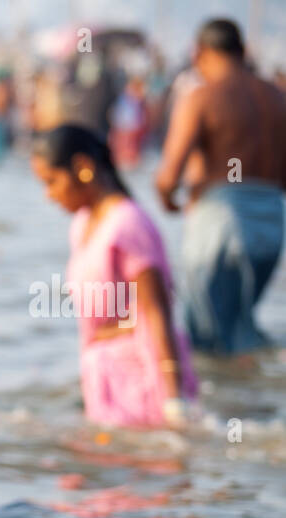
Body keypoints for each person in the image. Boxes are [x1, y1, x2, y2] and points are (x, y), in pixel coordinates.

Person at [32, 124, 198, 429]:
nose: (49, 195)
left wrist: (175, 403)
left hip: (143, 384)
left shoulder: (128, 225)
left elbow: (157, 313)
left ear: (82, 167)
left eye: (52, 181)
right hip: (106, 384)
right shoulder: (83, 225)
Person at [154, 18, 286, 355]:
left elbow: (169, 174)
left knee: (211, 340)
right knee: (241, 327)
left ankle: (228, 405)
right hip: (271, 222)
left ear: (200, 53)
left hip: (221, 223)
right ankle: (260, 401)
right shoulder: (277, 97)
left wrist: (168, 198)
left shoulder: (201, 97)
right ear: (242, 51)